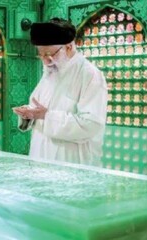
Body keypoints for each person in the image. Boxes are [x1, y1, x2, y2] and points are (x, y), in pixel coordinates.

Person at [13, 17, 107, 166]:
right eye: (41, 54)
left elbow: (91, 125)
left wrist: (46, 116)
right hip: (41, 157)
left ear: (69, 47)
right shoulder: (50, 72)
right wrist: (29, 113)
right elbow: (40, 109)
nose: (45, 61)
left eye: (50, 54)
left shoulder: (89, 75)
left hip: (72, 160)